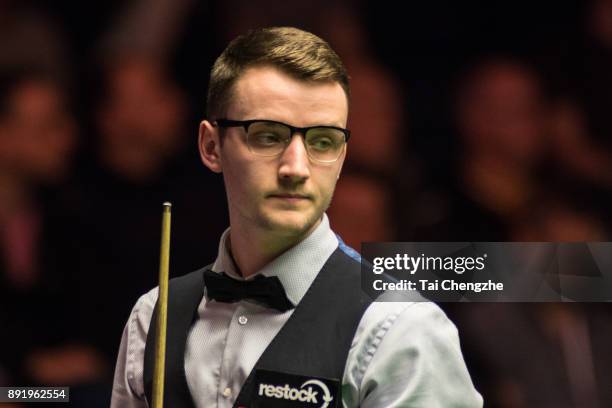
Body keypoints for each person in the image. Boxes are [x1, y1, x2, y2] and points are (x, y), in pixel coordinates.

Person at [110, 27, 482, 407]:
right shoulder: (153, 315)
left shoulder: (399, 329)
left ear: (342, 157)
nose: (296, 168)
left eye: (323, 141)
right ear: (211, 146)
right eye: (268, 136)